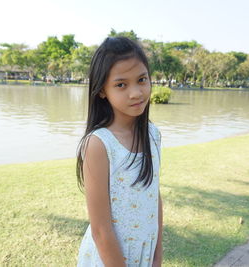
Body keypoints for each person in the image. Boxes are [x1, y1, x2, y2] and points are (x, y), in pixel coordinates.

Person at [75, 36, 163, 267]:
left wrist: (157, 255)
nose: (136, 93)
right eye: (121, 84)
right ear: (102, 90)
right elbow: (101, 231)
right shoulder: (99, 144)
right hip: (109, 259)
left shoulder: (152, 134)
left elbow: (154, 195)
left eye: (142, 80)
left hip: (144, 254)